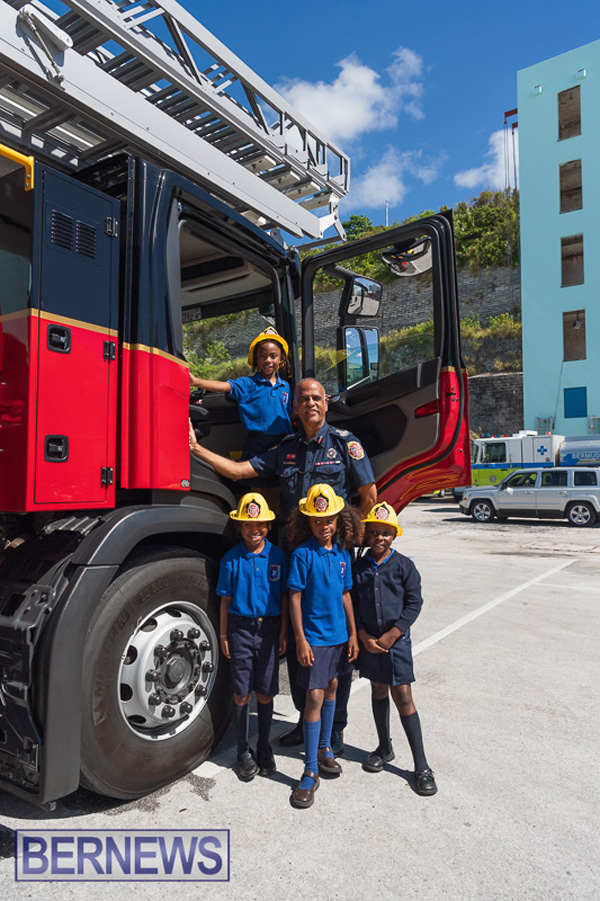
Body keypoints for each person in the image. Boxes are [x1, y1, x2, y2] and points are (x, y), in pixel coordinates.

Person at [189, 377, 377, 752]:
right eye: (303, 398)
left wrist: (352, 543)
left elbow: (369, 494)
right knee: (297, 638)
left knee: (335, 639)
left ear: (326, 404)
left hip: (330, 554)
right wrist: (196, 449)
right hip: (295, 556)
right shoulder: (286, 448)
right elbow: (240, 471)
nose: (310, 403)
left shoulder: (345, 443)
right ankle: (303, 718)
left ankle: (333, 730)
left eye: (316, 398)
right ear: (294, 408)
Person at [352, 501, 437, 796]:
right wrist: (363, 634)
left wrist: (394, 633)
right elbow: (353, 601)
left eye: (385, 533)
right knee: (377, 690)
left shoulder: (404, 566)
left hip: (395, 643)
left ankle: (421, 765)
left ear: (395, 535)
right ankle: (384, 746)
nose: (379, 538)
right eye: (374, 533)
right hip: (370, 643)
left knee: (402, 695)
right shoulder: (359, 567)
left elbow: (414, 603)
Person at [286, 484, 361, 808]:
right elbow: (295, 596)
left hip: (339, 638)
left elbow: (346, 596)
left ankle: (325, 747)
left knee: (332, 688)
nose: (323, 525)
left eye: (328, 519)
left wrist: (354, 634)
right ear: (308, 523)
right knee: (313, 697)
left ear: (338, 520)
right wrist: (300, 638)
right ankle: (310, 770)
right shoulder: (302, 554)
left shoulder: (343, 555)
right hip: (314, 639)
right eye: (316, 521)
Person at [216, 492, 288, 780]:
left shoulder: (277, 556)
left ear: (268, 527)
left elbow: (283, 596)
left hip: (269, 630)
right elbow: (224, 599)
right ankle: (243, 750)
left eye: (259, 525)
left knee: (267, 690)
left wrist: (283, 630)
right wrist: (223, 635)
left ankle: (263, 746)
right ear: (239, 528)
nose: (253, 530)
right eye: (247, 525)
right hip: (240, 629)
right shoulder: (231, 559)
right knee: (242, 691)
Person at [189, 328, 292, 458]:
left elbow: (288, 413)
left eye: (273, 356)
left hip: (283, 442)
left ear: (281, 358)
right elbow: (223, 386)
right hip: (258, 444)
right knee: (252, 475)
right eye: (262, 356)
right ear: (256, 359)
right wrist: (196, 381)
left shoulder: (285, 386)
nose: (268, 360)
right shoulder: (247, 384)